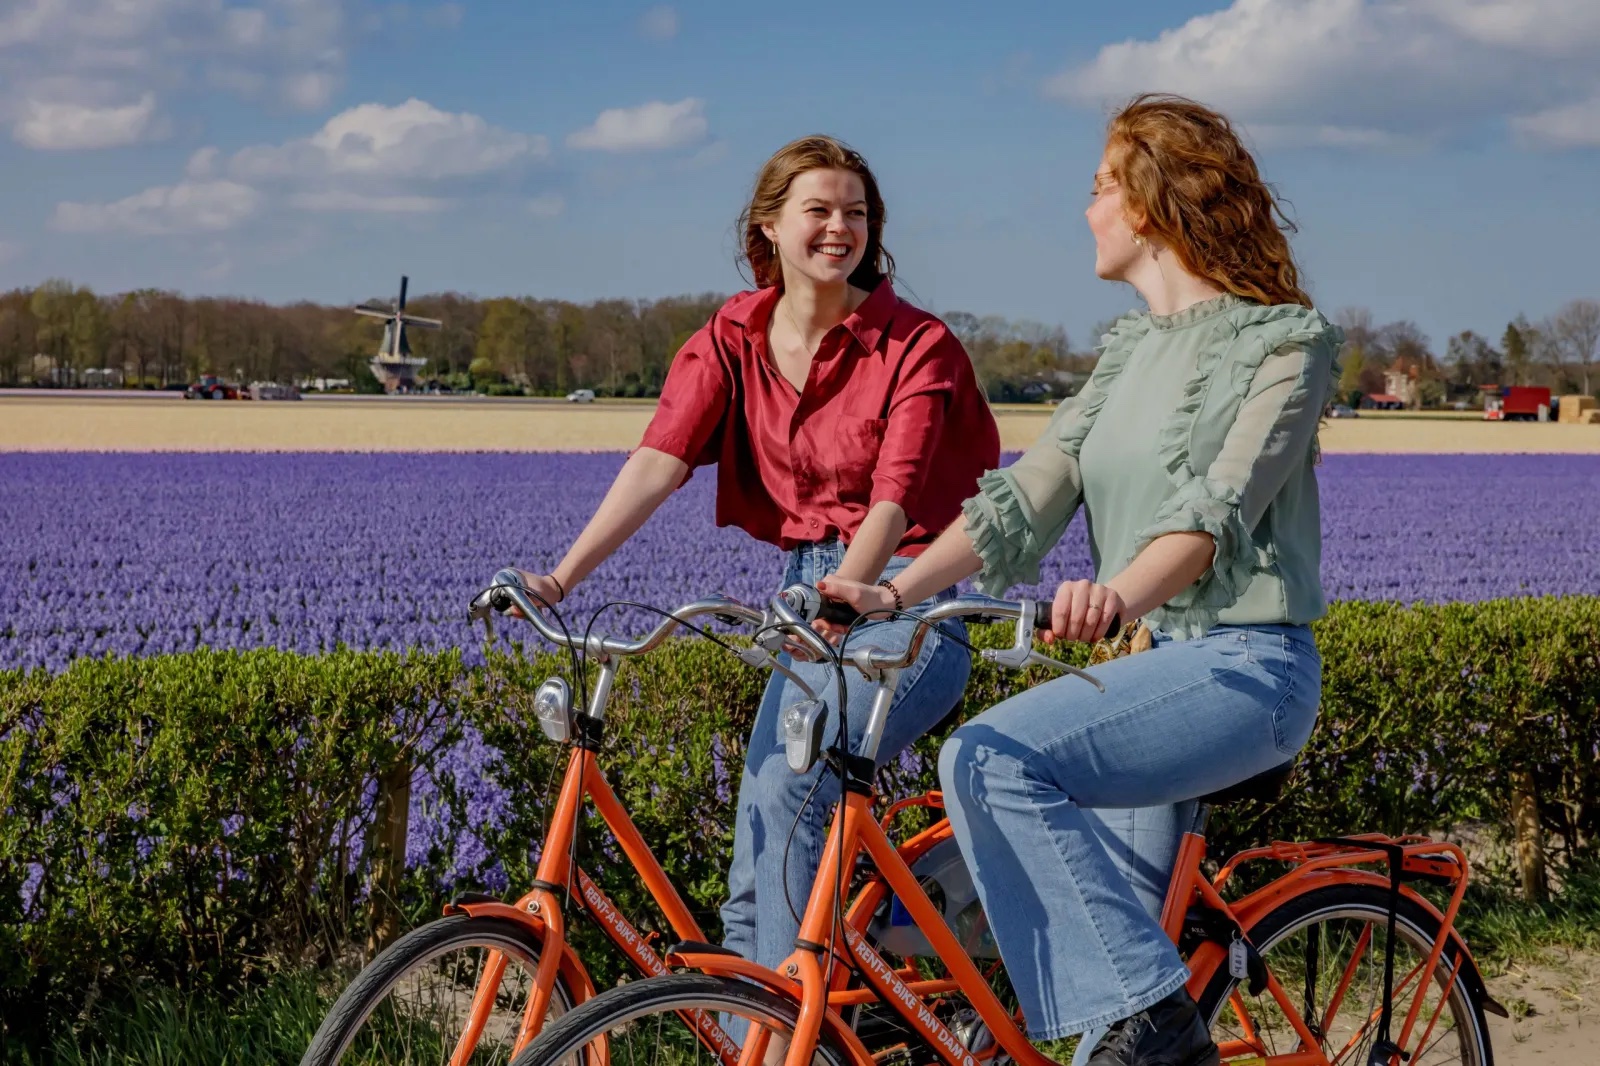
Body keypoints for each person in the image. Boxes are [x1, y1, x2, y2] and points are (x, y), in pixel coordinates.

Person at [817, 94, 1342, 1066]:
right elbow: (1024, 499)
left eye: (1099, 186)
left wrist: (1119, 595)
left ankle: (1166, 1032)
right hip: (1151, 670)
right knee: (1112, 979)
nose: (1085, 208)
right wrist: (890, 593)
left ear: (1146, 201)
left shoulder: (1285, 343)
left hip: (1248, 669)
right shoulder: (1125, 353)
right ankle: (1145, 1028)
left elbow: (1215, 511)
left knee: (987, 761)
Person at [513, 134, 1000, 986]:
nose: (840, 228)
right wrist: (559, 578)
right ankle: (769, 1026)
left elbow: (895, 495)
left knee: (789, 795)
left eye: (856, 213)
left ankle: (788, 1029)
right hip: (805, 597)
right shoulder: (732, 334)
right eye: (819, 210)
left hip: (907, 600)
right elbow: (659, 460)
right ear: (769, 225)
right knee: (758, 843)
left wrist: (851, 591)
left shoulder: (913, 343)